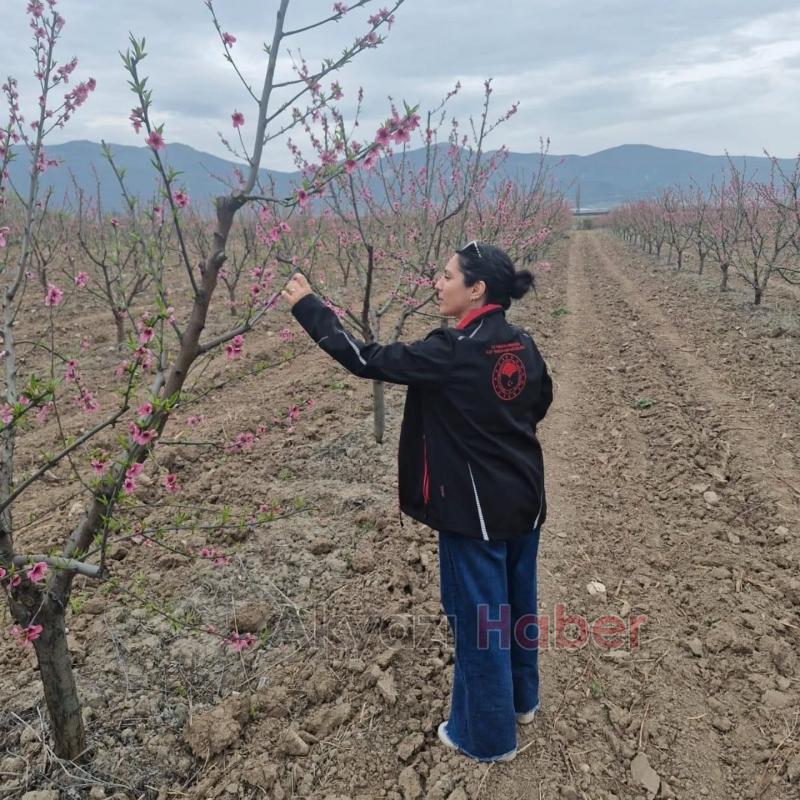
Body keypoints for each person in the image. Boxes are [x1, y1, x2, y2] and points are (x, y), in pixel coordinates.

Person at [281, 240, 552, 763]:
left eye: (447, 275)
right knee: (517, 606)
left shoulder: (452, 351)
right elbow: (538, 401)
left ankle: (486, 737)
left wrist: (308, 307)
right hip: (526, 501)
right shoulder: (522, 344)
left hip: (475, 514)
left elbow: (366, 360)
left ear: (477, 290)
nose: (437, 282)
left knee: (478, 619)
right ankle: (522, 701)